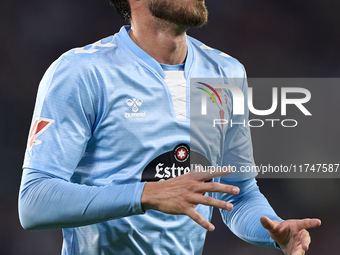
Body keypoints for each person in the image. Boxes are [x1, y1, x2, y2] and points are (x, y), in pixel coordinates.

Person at [19, 0, 321, 254]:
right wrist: (147, 194)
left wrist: (275, 228)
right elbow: (34, 201)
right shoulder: (83, 72)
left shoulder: (223, 72)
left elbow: (238, 194)